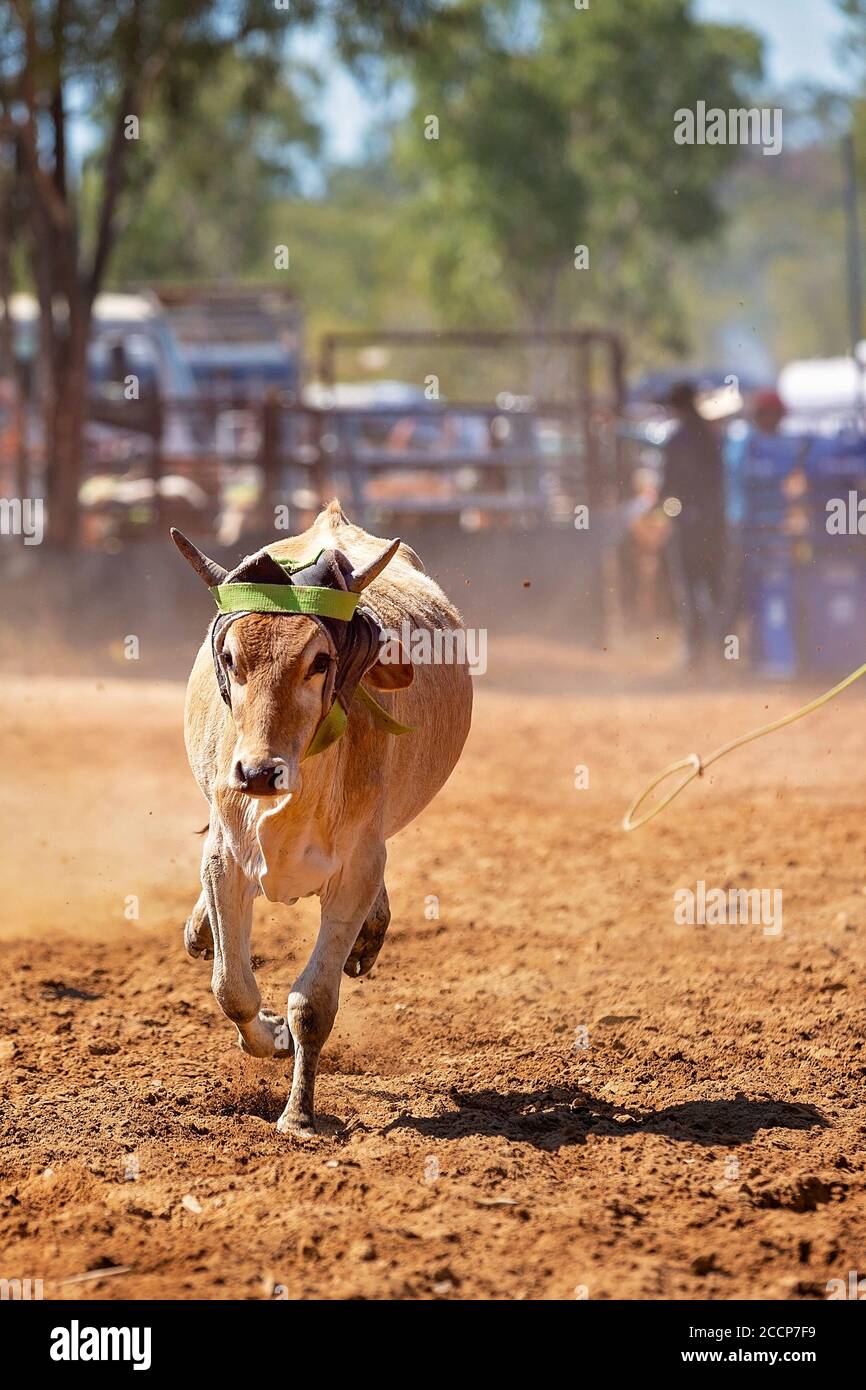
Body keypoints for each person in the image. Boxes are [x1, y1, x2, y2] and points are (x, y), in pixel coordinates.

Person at [663, 380, 727, 669]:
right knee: (715, 586)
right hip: (713, 525)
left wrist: (669, 507)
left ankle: (696, 650)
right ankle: (722, 647)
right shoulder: (710, 435)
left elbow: (670, 485)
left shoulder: (678, 439)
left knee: (690, 587)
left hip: (689, 526)